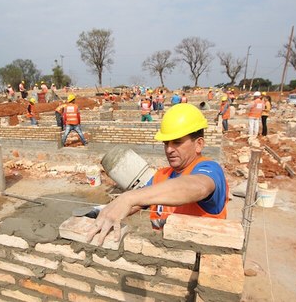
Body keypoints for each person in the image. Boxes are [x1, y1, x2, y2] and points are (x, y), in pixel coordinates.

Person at [86, 104, 229, 244]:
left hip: (198, 261)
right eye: (166, 143)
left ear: (198, 144)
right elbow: (139, 202)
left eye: (177, 143)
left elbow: (197, 186)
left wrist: (128, 197)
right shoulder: (162, 176)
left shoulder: (210, 169)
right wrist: (101, 211)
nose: (169, 150)